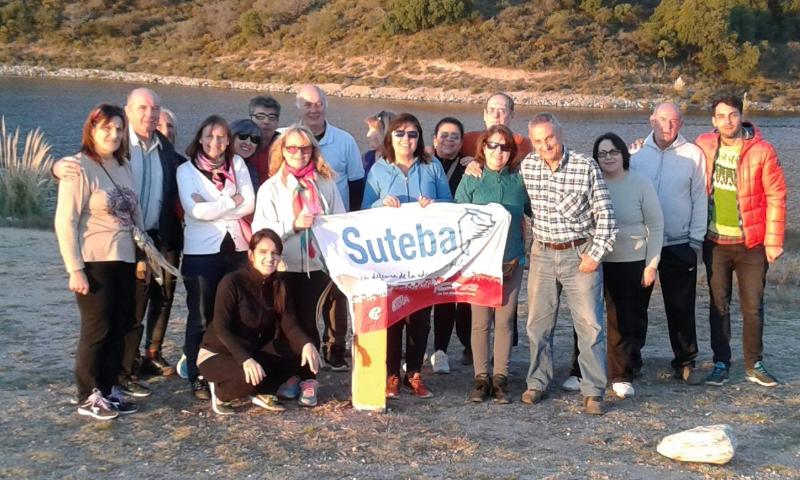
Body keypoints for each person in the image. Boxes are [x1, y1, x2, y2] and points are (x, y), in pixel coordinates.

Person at [53, 88, 183, 386]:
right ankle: (106, 383)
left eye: (155, 108)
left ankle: (120, 378)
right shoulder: (112, 151)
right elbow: (77, 179)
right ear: (128, 110)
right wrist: (56, 168)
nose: (150, 114)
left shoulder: (162, 149)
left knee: (133, 311)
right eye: (142, 108)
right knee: (112, 319)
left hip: (148, 239)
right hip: (105, 248)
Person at [521, 112, 617, 415]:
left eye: (549, 138)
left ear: (560, 134)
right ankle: (537, 382)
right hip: (542, 254)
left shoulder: (584, 166)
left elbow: (606, 215)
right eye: (538, 141)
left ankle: (593, 391)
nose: (545, 145)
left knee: (589, 325)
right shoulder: (528, 166)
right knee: (538, 324)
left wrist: (595, 254)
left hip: (579, 254)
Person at [54, 104, 144, 419]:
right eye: (106, 128)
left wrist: (142, 255)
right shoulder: (78, 167)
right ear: (92, 129)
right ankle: (88, 394)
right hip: (95, 260)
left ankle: (108, 388)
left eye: (119, 129)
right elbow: (65, 221)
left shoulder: (123, 165)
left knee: (119, 326)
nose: (114, 135)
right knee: (97, 328)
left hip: (125, 258)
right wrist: (74, 268)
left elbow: (135, 213)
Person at [251, 124, 346, 407]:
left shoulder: (326, 183)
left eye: (305, 148)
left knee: (308, 323)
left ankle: (309, 379)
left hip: (316, 266)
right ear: (282, 151)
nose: (299, 153)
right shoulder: (270, 188)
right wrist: (292, 225)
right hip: (283, 266)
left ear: (313, 151)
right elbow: (261, 232)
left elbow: (340, 220)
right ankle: (288, 375)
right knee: (283, 325)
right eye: (292, 148)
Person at [696, 95, 787, 387]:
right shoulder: (704, 145)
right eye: (721, 116)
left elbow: (776, 195)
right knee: (718, 305)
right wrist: (639, 149)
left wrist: (773, 241)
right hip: (715, 242)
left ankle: (754, 364)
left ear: (741, 116)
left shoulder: (762, 150)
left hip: (752, 244)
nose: (727, 121)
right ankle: (721, 363)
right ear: (714, 120)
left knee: (753, 307)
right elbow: (677, 159)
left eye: (733, 115)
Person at [362, 113, 453, 399]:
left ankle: (413, 373)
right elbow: (364, 210)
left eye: (412, 134)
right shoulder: (379, 169)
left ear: (419, 138)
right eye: (400, 133)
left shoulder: (432, 166)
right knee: (393, 315)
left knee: (420, 317)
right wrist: (380, 203)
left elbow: (450, 204)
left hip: (423, 257)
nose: (406, 139)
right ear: (390, 137)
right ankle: (391, 374)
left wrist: (434, 205)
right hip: (391, 256)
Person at [197, 229, 323, 414]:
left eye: (275, 253)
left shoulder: (279, 285)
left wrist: (306, 344)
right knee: (249, 377)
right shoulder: (232, 282)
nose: (269, 258)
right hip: (219, 352)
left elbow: (290, 325)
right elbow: (221, 328)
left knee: (297, 352)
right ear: (251, 255)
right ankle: (221, 393)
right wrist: (245, 359)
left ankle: (262, 390)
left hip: (254, 350)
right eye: (263, 252)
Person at [177, 115, 255, 400]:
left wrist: (213, 206)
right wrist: (231, 201)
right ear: (200, 137)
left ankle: (232, 368)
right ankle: (196, 374)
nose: (215, 142)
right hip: (201, 253)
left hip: (236, 250)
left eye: (222, 136)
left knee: (234, 312)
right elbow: (195, 211)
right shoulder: (186, 171)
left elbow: (249, 203)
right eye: (210, 135)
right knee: (201, 314)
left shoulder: (238, 165)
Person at [454, 125, 530, 404]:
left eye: (505, 147)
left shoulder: (519, 181)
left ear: (512, 151)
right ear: (483, 147)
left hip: (511, 260)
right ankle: (481, 378)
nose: (499, 152)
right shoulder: (472, 178)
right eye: (493, 145)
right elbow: (457, 217)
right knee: (480, 322)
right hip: (480, 264)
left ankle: (500, 378)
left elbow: (536, 211)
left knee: (505, 321)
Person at [588, 133, 663, 399]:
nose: (608, 157)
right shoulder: (592, 182)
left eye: (613, 152)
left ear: (623, 154)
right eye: (602, 153)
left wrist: (651, 264)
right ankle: (581, 370)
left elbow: (655, 225)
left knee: (623, 319)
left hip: (631, 261)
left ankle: (621, 375)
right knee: (588, 317)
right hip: (596, 260)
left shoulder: (640, 183)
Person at [296, 84, 364, 370]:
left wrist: (351, 225)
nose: (314, 109)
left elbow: (357, 184)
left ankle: (335, 349)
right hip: (298, 230)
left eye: (319, 104)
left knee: (337, 291)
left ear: (326, 105)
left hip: (335, 229)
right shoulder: (286, 138)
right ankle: (305, 347)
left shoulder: (345, 140)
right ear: (298, 108)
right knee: (303, 290)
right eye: (308, 104)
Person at [429, 117, 472, 374]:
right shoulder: (424, 163)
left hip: (462, 241)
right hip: (431, 242)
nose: (449, 140)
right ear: (434, 139)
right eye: (443, 135)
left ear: (461, 141)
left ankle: (469, 345)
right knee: (439, 297)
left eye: (455, 136)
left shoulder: (469, 167)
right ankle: (439, 350)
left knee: (464, 296)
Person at [460, 92, 532, 162]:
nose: (495, 115)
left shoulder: (525, 145)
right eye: (491, 110)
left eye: (502, 111)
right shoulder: (467, 140)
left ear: (511, 115)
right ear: (485, 114)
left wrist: (480, 163)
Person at [248, 95, 282, 186]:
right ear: (250, 119)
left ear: (277, 122)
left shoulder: (285, 147)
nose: (266, 121)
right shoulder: (240, 144)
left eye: (272, 117)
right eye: (260, 116)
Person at [229, 118, 264, 187]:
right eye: (243, 136)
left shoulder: (251, 170)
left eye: (255, 139)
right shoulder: (217, 164)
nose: (248, 142)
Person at [362, 110, 395, 175]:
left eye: (373, 130)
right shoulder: (366, 158)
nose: (368, 135)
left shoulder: (400, 160)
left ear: (385, 133)